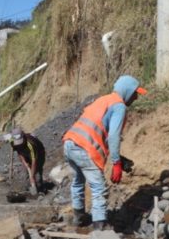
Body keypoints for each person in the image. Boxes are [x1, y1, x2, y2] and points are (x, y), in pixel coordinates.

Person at [62, 75, 147, 230]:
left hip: (70, 142)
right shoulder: (119, 106)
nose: (135, 98)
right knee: (99, 187)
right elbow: (113, 135)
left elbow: (102, 135)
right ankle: (100, 225)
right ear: (127, 91)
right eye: (135, 93)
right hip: (84, 148)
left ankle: (79, 217)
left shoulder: (104, 100)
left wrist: (119, 159)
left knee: (78, 181)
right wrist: (115, 163)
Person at [11, 127, 46, 195]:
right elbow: (19, 152)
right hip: (25, 154)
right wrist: (24, 162)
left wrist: (32, 176)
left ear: (23, 137)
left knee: (37, 174)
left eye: (20, 142)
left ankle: (40, 190)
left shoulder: (30, 144)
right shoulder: (13, 142)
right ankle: (30, 190)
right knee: (26, 173)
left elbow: (34, 161)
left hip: (39, 154)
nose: (19, 144)